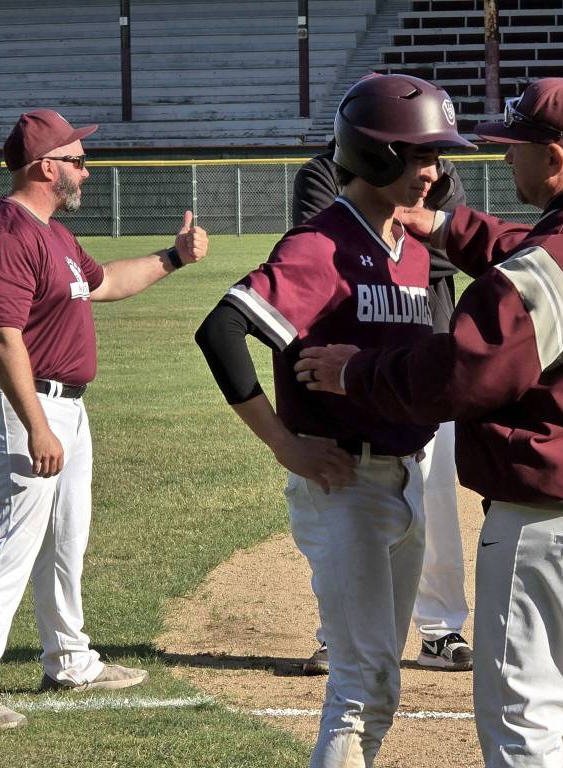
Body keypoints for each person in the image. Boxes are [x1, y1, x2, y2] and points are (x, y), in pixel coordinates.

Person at [297, 76, 563, 768]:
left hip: (556, 533)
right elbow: (534, 255)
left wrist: (355, 371)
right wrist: (448, 228)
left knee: (521, 730)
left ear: (557, 159)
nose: (506, 160)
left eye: (516, 148)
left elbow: (465, 373)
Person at [195, 74, 475, 768]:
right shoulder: (320, 245)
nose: (436, 174)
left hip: (405, 477)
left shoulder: (412, 249)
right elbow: (222, 331)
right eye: (422, 158)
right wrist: (285, 444)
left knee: (378, 686)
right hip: (344, 483)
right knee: (363, 683)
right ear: (378, 157)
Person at [0, 109, 209, 729]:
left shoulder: (55, 235)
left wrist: (172, 257)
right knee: (11, 541)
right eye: (77, 161)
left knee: (66, 541)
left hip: (66, 406)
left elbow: (107, 282)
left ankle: (68, 658)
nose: (85, 173)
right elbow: (2, 334)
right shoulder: (8, 230)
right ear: (45, 167)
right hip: (24, 404)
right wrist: (36, 423)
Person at [291, 140, 473, 675]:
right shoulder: (322, 170)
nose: (425, 170)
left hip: (426, 347)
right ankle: (335, 632)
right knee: (345, 507)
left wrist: (404, 235)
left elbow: (445, 250)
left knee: (434, 500)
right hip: (345, 358)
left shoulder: (439, 167)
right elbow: (333, 244)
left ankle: (440, 630)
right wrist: (410, 231)